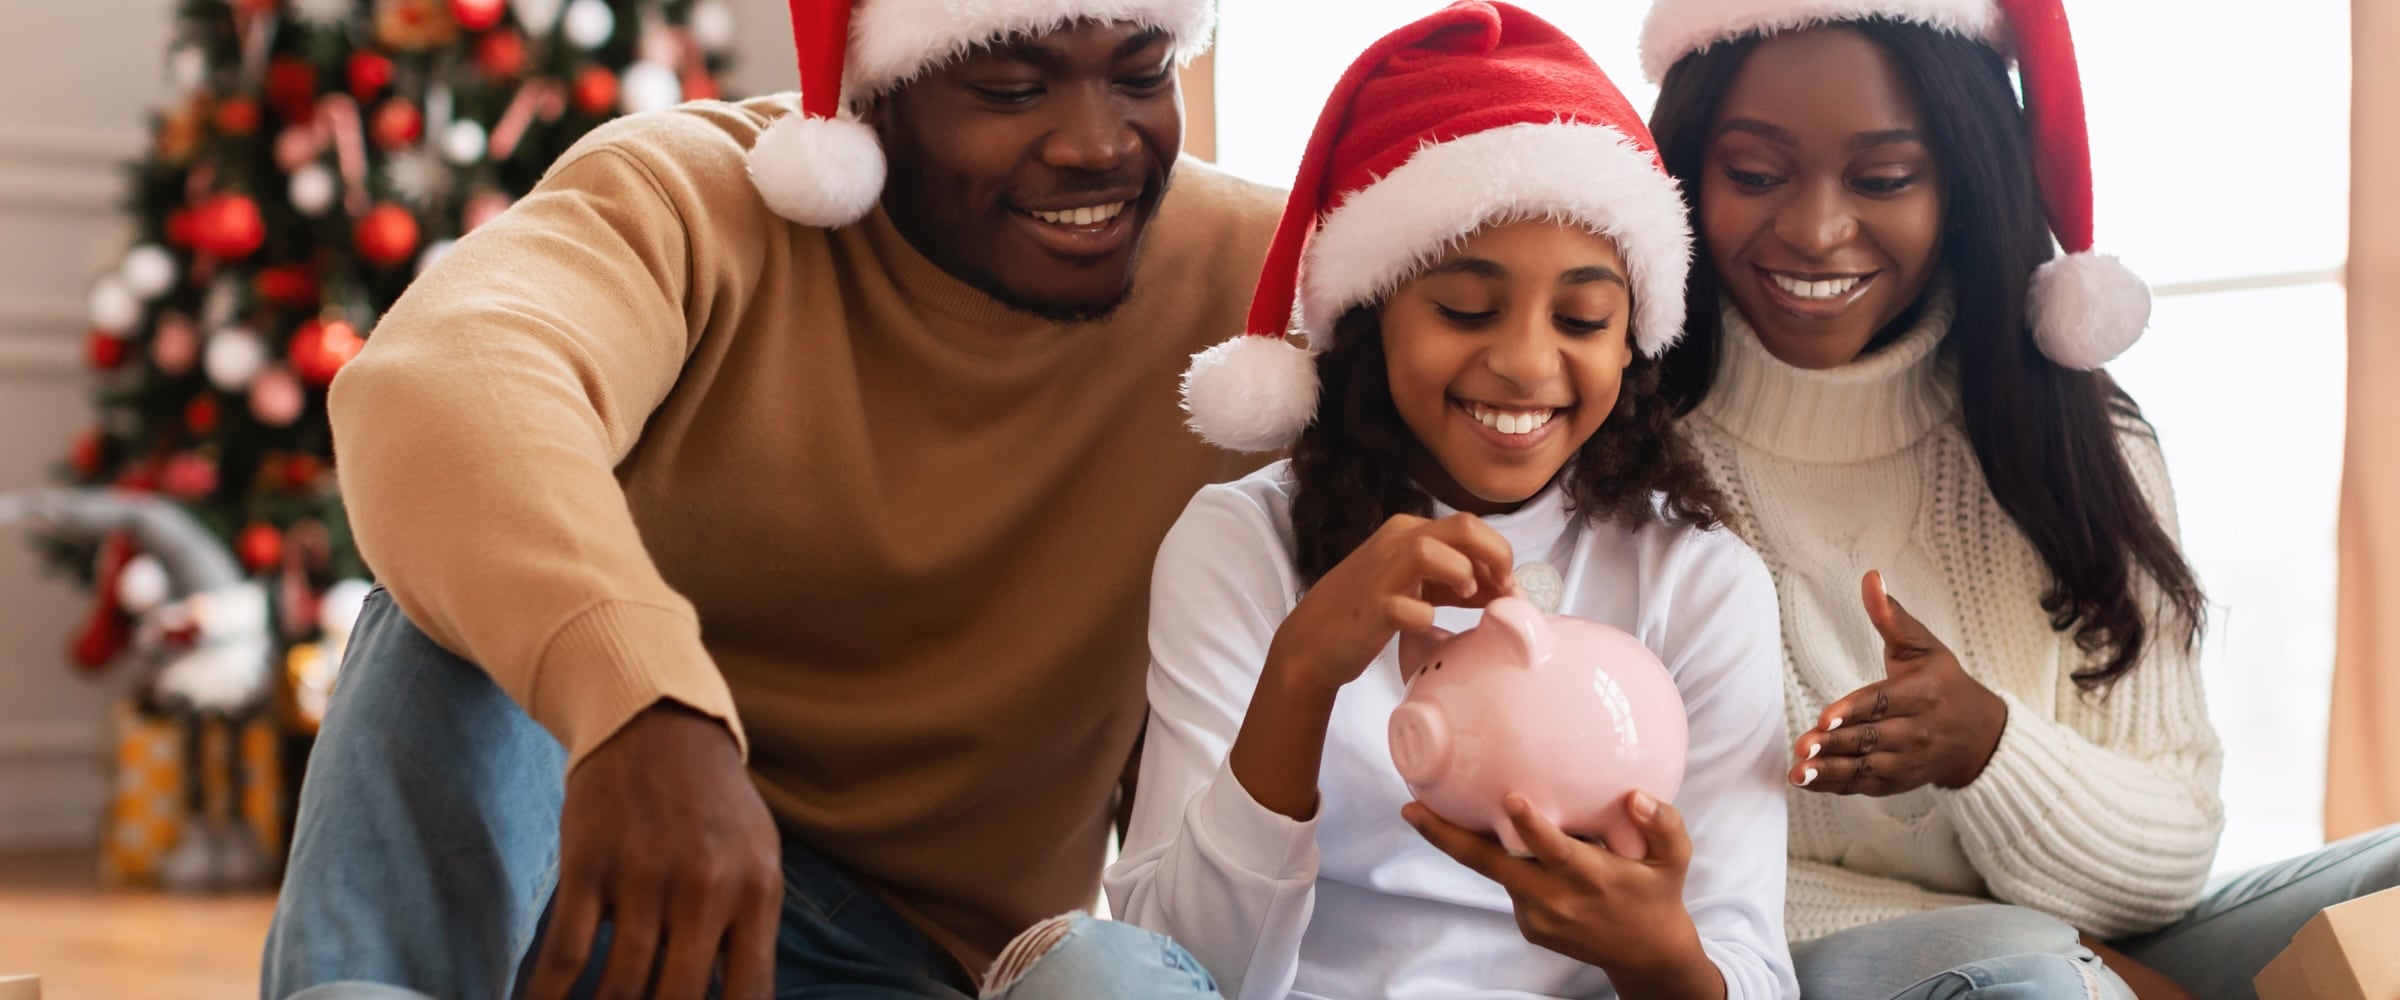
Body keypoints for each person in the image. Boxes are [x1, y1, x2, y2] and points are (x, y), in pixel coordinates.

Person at [258, 0, 1285, 996]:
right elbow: (439, 378)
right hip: (571, 880)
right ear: (871, 96)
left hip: (904, 958)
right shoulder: (694, 195)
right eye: (1011, 90)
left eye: (1142, 72)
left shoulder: (1250, 285)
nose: (1096, 144)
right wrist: (643, 707)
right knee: (454, 587)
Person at [1637, 1, 2400, 997]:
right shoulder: (1631, 464)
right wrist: (2051, 950)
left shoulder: (2079, 438)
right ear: (1687, 174)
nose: (1818, 229)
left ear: (1958, 183)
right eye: (1755, 174)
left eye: (1883, 178)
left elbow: (2171, 848)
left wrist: (1986, 746)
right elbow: (1668, 882)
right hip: (1817, 967)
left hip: (2099, 954)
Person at [1105, 5, 1798, 997]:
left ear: (1632, 335)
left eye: (1583, 316)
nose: (1523, 362)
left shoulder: (1693, 574)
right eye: (1464, 308)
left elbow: (1752, 972)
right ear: (1372, 310)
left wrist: (1661, 955)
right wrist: (1300, 676)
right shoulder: (1242, 541)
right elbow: (1173, 970)